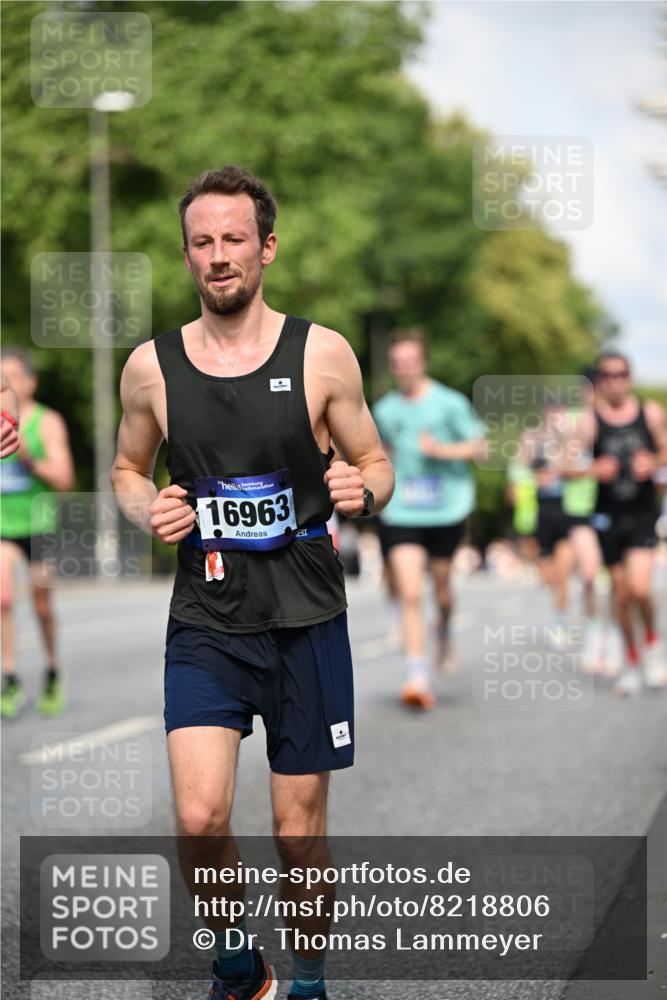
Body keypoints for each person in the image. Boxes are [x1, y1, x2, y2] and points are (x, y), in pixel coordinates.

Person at [111, 165, 394, 1000]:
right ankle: (240, 963)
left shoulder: (323, 353)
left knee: (297, 833)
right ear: (188, 255)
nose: (217, 255)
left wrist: (364, 490)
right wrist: (146, 507)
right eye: (202, 242)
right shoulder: (150, 368)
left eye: (234, 239)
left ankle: (306, 979)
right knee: (199, 818)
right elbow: (128, 469)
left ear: (265, 247)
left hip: (306, 616)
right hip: (206, 616)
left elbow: (375, 462)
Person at [372, 329, 485, 709]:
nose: (403, 368)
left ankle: (446, 629)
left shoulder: (449, 403)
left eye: (410, 361)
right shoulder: (384, 410)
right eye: (397, 363)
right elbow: (376, 451)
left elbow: (479, 447)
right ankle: (416, 673)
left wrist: (441, 449)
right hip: (402, 510)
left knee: (441, 590)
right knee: (409, 592)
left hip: (446, 508)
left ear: (423, 361)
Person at [580, 351, 667, 695]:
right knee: (620, 594)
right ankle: (631, 663)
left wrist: (655, 463)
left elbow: (665, 452)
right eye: (608, 375)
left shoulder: (650, 413)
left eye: (621, 374)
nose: (615, 381)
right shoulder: (590, 421)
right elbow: (563, 465)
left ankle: (653, 643)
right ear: (600, 381)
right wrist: (593, 469)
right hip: (608, 515)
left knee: (640, 588)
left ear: (629, 377)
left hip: (643, 511)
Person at [0, 348, 74, 719]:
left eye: (12, 376)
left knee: (42, 605)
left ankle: (50, 670)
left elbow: (64, 479)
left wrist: (28, 456)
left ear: (30, 382)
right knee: (3, 598)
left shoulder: (47, 422)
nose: (6, 384)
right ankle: (10, 677)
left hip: (40, 526)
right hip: (3, 528)